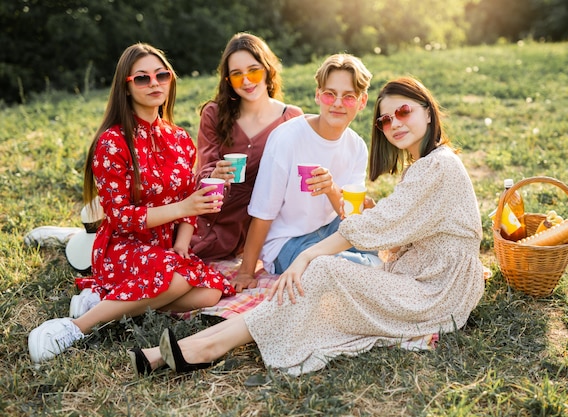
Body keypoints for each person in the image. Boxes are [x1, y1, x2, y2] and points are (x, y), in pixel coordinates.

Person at [129, 76, 485, 376]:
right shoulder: (427, 164)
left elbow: (375, 225)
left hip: (438, 291)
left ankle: (205, 346)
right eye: (386, 120)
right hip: (421, 279)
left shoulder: (437, 166)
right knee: (321, 285)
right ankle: (201, 345)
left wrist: (306, 257)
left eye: (404, 111)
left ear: (427, 109)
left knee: (322, 271)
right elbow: (393, 220)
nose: (395, 124)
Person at [28, 43, 236, 364]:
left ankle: (108, 299)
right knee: (175, 279)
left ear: (170, 80)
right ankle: (76, 326)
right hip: (123, 246)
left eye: (161, 75)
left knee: (210, 292)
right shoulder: (112, 142)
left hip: (165, 249)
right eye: (142, 78)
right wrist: (184, 209)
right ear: (126, 87)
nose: (154, 83)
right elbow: (122, 217)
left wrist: (182, 243)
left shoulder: (180, 139)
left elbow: (185, 200)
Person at [230, 53, 380, 293]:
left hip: (332, 230)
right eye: (330, 94)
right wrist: (246, 272)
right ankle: (358, 270)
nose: (338, 103)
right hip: (288, 242)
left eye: (349, 97)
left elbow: (350, 216)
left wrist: (331, 190)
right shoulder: (287, 139)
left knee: (372, 248)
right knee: (328, 271)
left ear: (362, 102)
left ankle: (358, 269)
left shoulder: (356, 146)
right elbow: (263, 211)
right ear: (318, 95)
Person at [190, 33, 303, 263]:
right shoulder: (214, 114)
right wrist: (214, 174)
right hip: (216, 219)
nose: (247, 81)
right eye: (237, 75)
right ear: (228, 81)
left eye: (253, 70)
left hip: (263, 226)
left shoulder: (291, 118)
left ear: (267, 70)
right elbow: (202, 174)